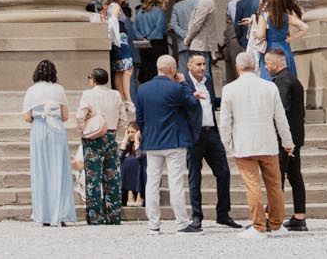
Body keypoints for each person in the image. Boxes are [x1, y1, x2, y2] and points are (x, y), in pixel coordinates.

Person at [218, 50, 293, 235]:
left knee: (252, 186)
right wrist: (287, 141)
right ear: (255, 66)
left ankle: (258, 226)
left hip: (244, 145)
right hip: (268, 143)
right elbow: (280, 117)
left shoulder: (229, 89)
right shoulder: (269, 86)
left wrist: (227, 144)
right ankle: (276, 225)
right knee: (275, 186)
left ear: (237, 68)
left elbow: (225, 121)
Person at [130, 54, 198, 233]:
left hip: (152, 140)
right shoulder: (176, 88)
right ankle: (181, 222)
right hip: (174, 139)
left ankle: (153, 224)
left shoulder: (142, 89)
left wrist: (145, 133)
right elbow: (192, 105)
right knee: (175, 182)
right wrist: (183, 83)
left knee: (152, 182)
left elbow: (140, 117)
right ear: (173, 69)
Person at [180, 53, 240, 230]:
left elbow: (212, 102)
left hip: (211, 132)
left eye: (204, 64)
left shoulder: (207, 80)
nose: (202, 67)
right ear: (189, 66)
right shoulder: (184, 83)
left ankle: (223, 213)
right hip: (194, 135)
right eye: (198, 64)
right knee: (194, 176)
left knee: (224, 172)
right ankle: (197, 216)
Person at [21, 59, 74, 226]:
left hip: (39, 128)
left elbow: (26, 116)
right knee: (59, 169)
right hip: (56, 128)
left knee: (41, 170)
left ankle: (43, 214)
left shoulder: (32, 90)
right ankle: (60, 214)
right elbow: (65, 116)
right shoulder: (59, 90)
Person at [75, 66, 127, 225]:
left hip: (93, 136)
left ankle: (95, 216)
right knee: (112, 175)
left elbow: (80, 115)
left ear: (93, 79)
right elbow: (123, 118)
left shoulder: (88, 94)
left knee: (93, 176)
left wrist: (82, 130)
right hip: (110, 135)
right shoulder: (116, 94)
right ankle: (113, 215)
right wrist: (113, 129)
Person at [264, 49, 309, 231]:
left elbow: (282, 110)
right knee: (294, 176)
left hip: (286, 138)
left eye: (267, 63)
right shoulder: (293, 79)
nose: (265, 67)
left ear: (276, 64)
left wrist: (282, 138)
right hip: (296, 135)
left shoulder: (283, 81)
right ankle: (299, 216)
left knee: (277, 177)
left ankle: (271, 218)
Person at [256, 0, 307, 84]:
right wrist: (292, 38)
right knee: (287, 80)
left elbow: (260, 35)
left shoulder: (264, 16)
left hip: (270, 49)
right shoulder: (287, 17)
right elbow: (305, 27)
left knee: (269, 82)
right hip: (284, 48)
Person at [184, 0, 222, 91]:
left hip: (201, 42)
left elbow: (197, 23)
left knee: (202, 72)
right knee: (201, 72)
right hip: (201, 41)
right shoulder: (203, 0)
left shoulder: (205, 1)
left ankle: (207, 97)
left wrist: (188, 38)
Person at [102, 0, 135, 98]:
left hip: (117, 40)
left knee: (119, 70)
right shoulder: (115, 6)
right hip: (120, 40)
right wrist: (112, 36)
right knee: (128, 69)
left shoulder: (111, 6)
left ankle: (122, 98)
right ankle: (128, 98)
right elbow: (112, 21)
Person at [213, 0, 243, 87]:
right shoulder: (237, 1)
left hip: (235, 40)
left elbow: (236, 22)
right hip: (233, 40)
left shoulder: (233, 3)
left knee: (236, 70)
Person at [133, 0, 169, 76]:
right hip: (157, 44)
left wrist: (141, 37)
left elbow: (134, 27)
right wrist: (149, 38)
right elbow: (158, 28)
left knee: (146, 70)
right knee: (158, 70)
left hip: (143, 45)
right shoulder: (159, 11)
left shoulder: (141, 11)